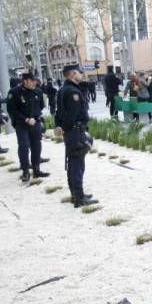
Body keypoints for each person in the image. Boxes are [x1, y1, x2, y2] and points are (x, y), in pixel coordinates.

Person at [55, 65, 98, 208]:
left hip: (71, 132)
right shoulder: (73, 92)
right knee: (77, 166)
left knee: (73, 164)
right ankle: (79, 198)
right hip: (75, 132)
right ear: (73, 74)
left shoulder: (62, 90)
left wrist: (60, 127)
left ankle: (76, 195)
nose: (82, 74)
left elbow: (59, 113)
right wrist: (67, 129)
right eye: (80, 72)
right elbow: (71, 116)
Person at [6, 72, 49, 182]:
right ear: (25, 81)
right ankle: (25, 171)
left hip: (35, 123)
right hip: (22, 125)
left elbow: (40, 106)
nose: (35, 82)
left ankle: (36, 169)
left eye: (35, 80)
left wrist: (35, 117)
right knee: (24, 146)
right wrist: (25, 119)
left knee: (36, 146)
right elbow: (12, 110)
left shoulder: (38, 91)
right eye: (32, 80)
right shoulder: (14, 92)